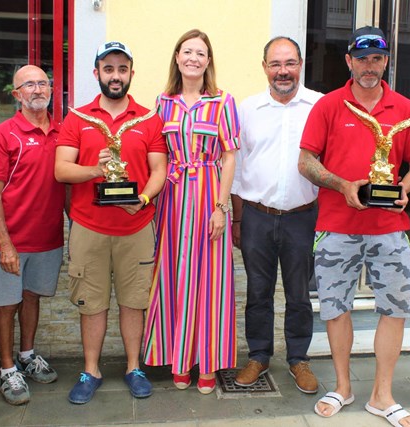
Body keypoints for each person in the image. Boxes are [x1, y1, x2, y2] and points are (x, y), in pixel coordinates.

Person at [298, 26, 410, 426]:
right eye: (362, 58)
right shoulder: (329, 106)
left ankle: (381, 395)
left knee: (396, 310)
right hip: (337, 226)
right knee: (336, 309)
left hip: (389, 227)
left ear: (386, 61)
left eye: (377, 58)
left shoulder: (405, 108)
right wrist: (341, 184)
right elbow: (305, 161)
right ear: (349, 61)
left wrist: (404, 187)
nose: (370, 66)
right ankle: (343, 387)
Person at [55, 41, 168, 404]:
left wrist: (144, 199)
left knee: (134, 301)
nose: (115, 76)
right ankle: (91, 370)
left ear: (131, 74)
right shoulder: (78, 117)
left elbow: (159, 170)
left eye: (122, 69)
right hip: (88, 228)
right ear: (97, 74)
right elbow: (61, 170)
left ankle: (135, 367)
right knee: (92, 302)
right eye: (108, 69)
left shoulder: (149, 118)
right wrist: (96, 169)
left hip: (136, 228)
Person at [142, 29, 239, 395]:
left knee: (210, 283)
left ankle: (208, 364)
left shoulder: (222, 101)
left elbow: (229, 156)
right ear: (178, 57)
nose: (194, 58)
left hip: (209, 197)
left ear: (208, 60)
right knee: (173, 278)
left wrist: (220, 206)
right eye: (187, 52)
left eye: (201, 53)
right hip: (173, 198)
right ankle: (179, 360)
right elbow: (156, 153)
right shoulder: (162, 102)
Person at [230, 36, 322, 394]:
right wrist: (238, 219)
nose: (283, 71)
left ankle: (298, 358)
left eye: (290, 63)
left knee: (299, 294)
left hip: (304, 217)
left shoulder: (320, 106)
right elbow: (237, 167)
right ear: (265, 67)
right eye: (275, 64)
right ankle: (259, 356)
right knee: (258, 292)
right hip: (256, 216)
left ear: (300, 65)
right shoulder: (247, 109)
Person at [0, 65, 65, 405]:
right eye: (28, 84)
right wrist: (5, 245)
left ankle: (27, 356)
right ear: (16, 94)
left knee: (31, 298)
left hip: (47, 239)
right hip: (8, 241)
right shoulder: (4, 134)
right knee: (6, 305)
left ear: (51, 90)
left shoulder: (63, 132)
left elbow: (68, 187)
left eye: (42, 82)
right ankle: (6, 369)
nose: (37, 89)